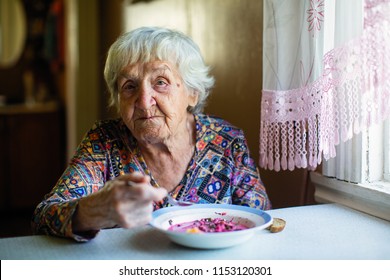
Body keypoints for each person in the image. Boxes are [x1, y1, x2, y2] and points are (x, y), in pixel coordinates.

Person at [32, 26, 271, 241]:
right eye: (130, 86)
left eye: (160, 82)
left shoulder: (227, 141)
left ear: (192, 93)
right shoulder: (103, 142)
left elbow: (265, 220)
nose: (145, 102)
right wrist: (94, 211)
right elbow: (43, 218)